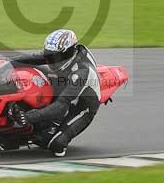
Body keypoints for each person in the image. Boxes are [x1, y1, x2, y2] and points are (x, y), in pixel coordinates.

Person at [8, 29, 101, 157]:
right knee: (30, 73)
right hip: (64, 83)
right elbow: (32, 59)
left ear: (70, 52)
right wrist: (5, 64)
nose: (53, 61)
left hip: (81, 106)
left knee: (55, 144)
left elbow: (61, 105)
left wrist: (29, 117)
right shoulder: (59, 54)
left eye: (56, 57)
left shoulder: (81, 73)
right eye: (50, 56)